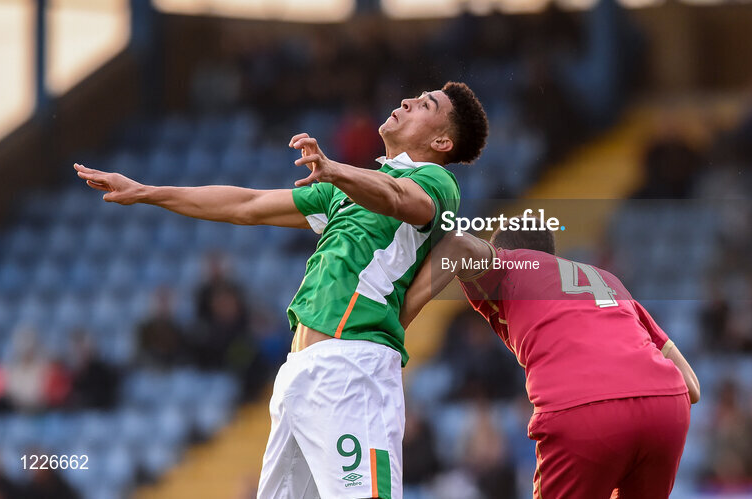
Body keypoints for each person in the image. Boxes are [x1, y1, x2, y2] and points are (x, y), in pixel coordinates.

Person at [74, 83, 488, 499]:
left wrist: (336, 170)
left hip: (353, 371)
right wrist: (146, 192)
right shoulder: (345, 190)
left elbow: (399, 198)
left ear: (441, 141)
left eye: (426, 104)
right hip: (300, 374)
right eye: (416, 96)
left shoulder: (436, 181)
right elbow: (247, 205)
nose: (407, 101)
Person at [402, 222, 699, 499]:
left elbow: (459, 244)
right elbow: (692, 386)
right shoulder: (608, 281)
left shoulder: (511, 265)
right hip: (667, 405)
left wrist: (396, 323)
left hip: (584, 411)